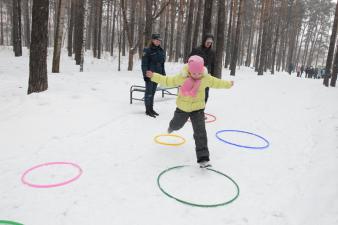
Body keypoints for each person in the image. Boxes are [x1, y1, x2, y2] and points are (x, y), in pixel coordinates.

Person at [146, 55, 234, 168]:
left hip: (198, 110)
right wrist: (154, 76)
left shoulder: (205, 78)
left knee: (200, 133)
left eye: (199, 73)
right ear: (189, 70)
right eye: (194, 73)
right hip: (182, 109)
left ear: (202, 70)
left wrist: (228, 84)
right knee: (176, 125)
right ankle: (171, 127)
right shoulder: (182, 77)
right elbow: (168, 81)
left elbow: (217, 82)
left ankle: (203, 158)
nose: (197, 76)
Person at [141, 34, 166, 118]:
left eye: (159, 40)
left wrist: (163, 74)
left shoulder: (161, 50)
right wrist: (146, 75)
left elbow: (162, 64)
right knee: (149, 93)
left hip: (157, 75)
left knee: (153, 92)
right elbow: (144, 64)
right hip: (150, 75)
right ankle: (148, 110)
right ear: (152, 40)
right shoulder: (147, 50)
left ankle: (151, 109)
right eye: (156, 40)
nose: (158, 41)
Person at [188, 34, 215, 103]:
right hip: (196, 75)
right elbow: (189, 61)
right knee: (195, 93)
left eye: (210, 43)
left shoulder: (212, 52)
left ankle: (201, 110)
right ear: (204, 41)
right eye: (207, 42)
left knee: (205, 94)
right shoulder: (197, 50)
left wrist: (212, 73)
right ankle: (193, 110)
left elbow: (212, 64)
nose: (209, 44)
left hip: (206, 75)